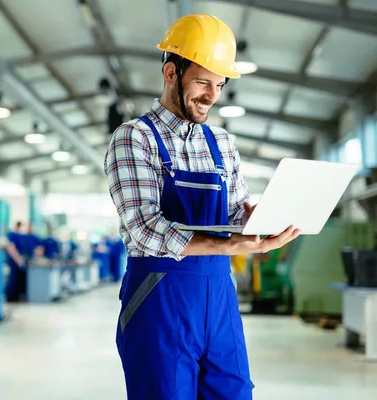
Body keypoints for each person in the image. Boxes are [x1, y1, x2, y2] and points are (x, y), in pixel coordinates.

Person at [104, 14, 301, 399]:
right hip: (159, 295)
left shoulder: (223, 142)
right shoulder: (134, 137)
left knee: (235, 391)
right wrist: (232, 245)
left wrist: (252, 219)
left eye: (219, 85)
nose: (212, 95)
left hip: (219, 299)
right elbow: (145, 229)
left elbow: (230, 213)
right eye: (202, 82)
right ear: (170, 73)